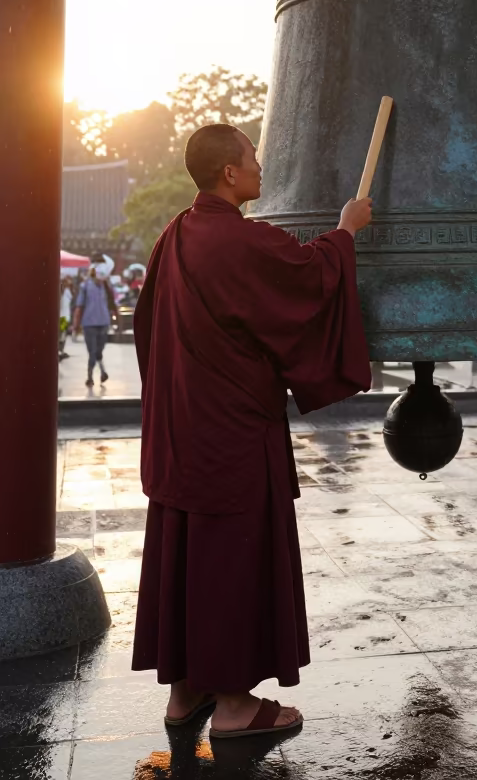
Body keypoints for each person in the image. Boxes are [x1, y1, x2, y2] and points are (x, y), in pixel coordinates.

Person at [131, 123, 372, 741]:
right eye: (253, 159)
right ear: (229, 175)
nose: (262, 168)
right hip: (231, 437)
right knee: (229, 565)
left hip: (183, 429)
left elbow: (148, 330)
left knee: (189, 557)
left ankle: (185, 694)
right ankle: (236, 707)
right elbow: (308, 277)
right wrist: (345, 232)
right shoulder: (238, 240)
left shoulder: (174, 236)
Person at [73, 262, 116, 385]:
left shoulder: (106, 286)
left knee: (99, 350)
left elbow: (111, 303)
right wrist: (76, 325)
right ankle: (90, 376)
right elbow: (79, 307)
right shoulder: (85, 286)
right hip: (89, 323)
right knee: (92, 352)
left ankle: (102, 373)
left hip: (104, 322)